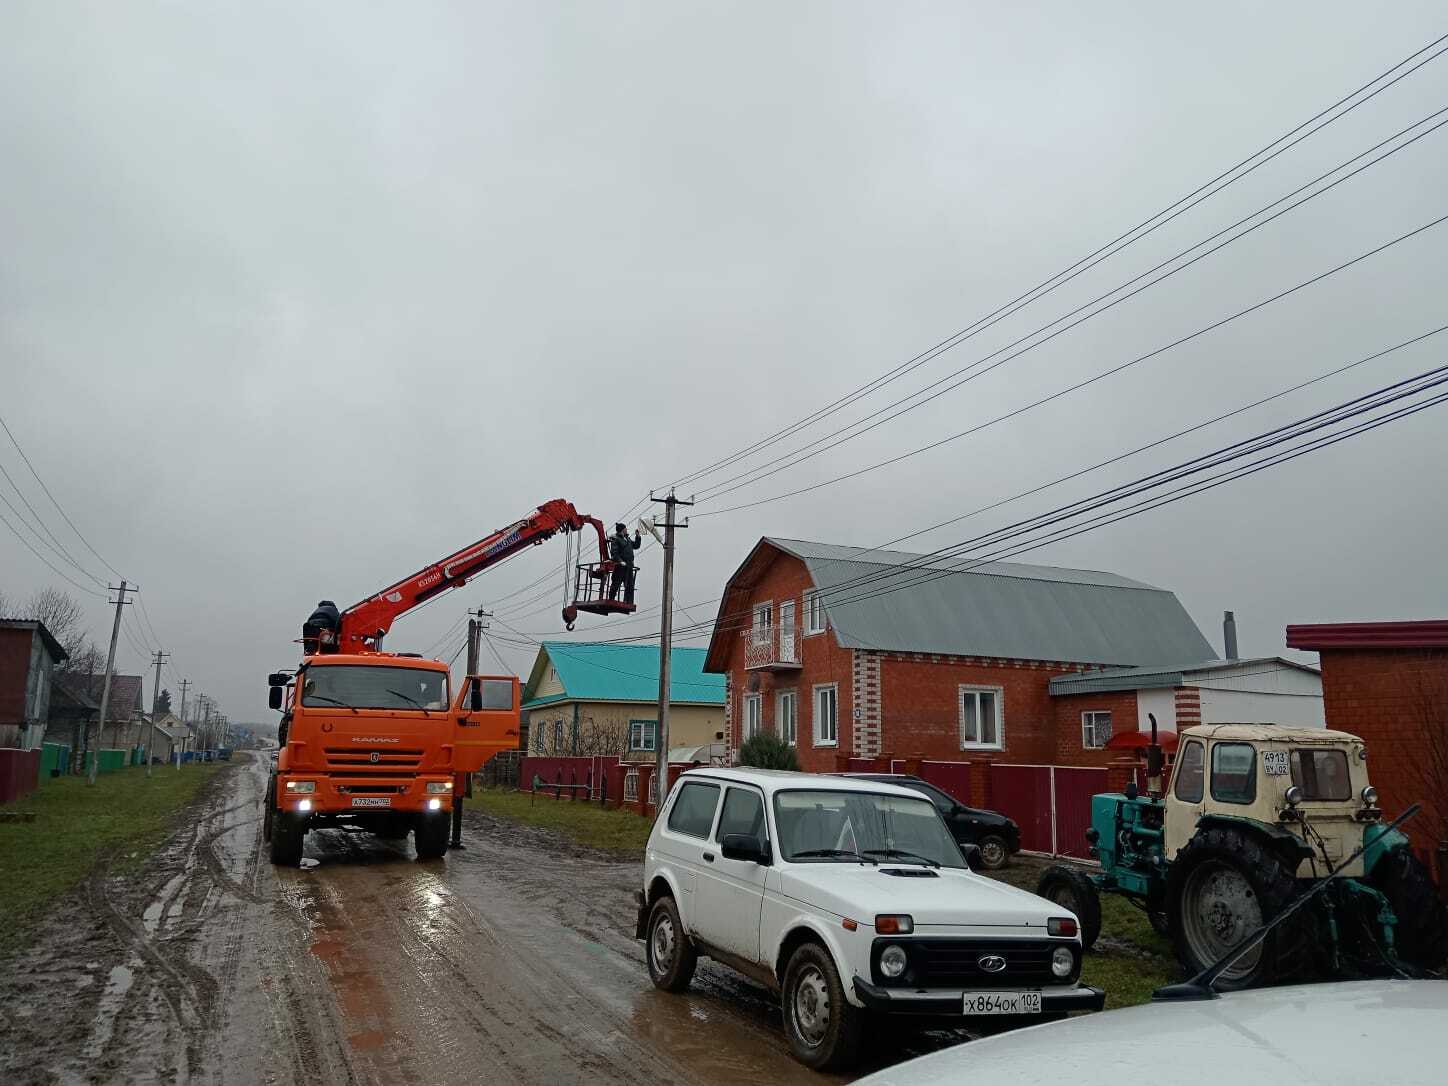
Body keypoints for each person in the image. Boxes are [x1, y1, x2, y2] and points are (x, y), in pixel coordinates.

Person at [608, 522, 641, 604]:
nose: (627, 529)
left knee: (630, 585)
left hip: (629, 566)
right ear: (622, 530)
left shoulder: (628, 539)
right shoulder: (616, 539)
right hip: (620, 566)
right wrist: (620, 561)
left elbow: (636, 546)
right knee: (616, 583)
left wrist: (638, 536)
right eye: (625, 528)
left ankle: (628, 601)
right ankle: (611, 599)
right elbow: (614, 553)